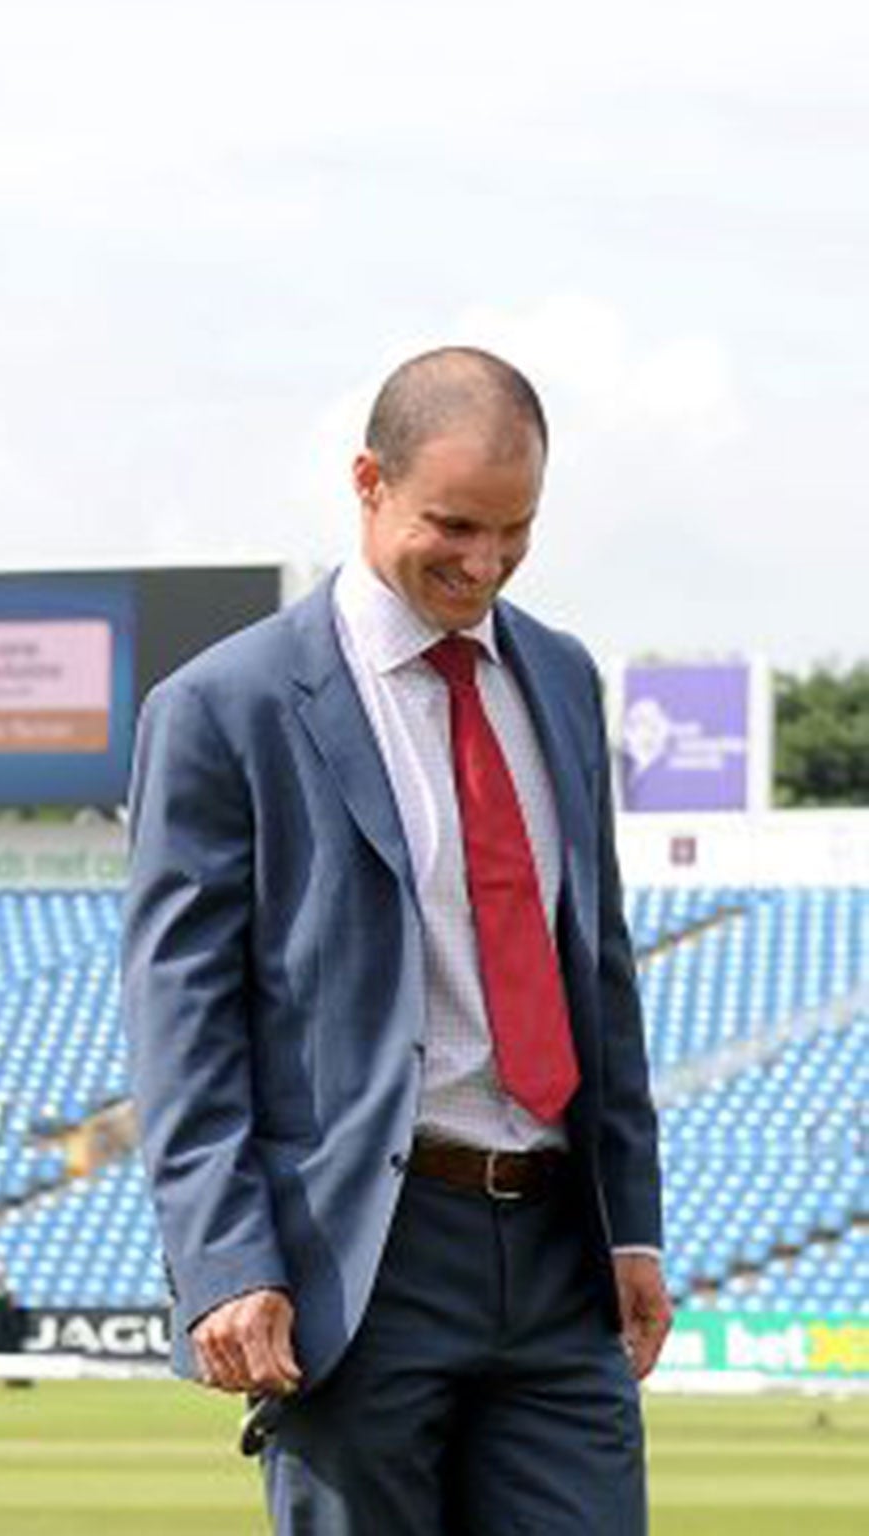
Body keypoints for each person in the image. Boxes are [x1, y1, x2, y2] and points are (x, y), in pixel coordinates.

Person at [123, 347, 671, 1533]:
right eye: (454, 525)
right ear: (367, 482)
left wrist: (630, 1220)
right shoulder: (225, 709)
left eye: (514, 532)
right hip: (358, 1259)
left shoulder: (563, 679)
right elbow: (182, 1021)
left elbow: (599, 970)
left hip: (556, 1251)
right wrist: (226, 1262)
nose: (482, 564)